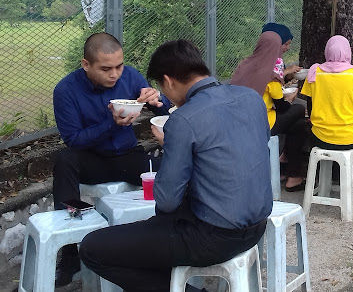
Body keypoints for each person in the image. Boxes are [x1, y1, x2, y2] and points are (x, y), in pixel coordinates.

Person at [80, 40, 272, 292]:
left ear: (168, 81)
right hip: (258, 227)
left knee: (93, 248)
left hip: (212, 238)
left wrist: (172, 143)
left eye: (162, 87)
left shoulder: (183, 120)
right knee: (155, 231)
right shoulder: (250, 98)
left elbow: (167, 200)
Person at [51, 32, 171, 286]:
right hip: (91, 160)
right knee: (64, 161)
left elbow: (165, 107)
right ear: (86, 64)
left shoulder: (129, 76)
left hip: (128, 157)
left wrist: (157, 101)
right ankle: (70, 249)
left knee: (173, 169)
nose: (114, 74)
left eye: (118, 66)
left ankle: (171, 238)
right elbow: (74, 140)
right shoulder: (66, 90)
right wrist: (112, 123)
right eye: (106, 69)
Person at [301, 35, 353, 203]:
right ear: (348, 52)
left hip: (321, 137)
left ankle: (317, 183)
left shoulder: (315, 71)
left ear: (327, 51)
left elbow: (310, 103)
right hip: (351, 137)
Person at [230, 31, 308, 192]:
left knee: (298, 126)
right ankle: (292, 174)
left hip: (238, 121)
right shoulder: (271, 72)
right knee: (299, 110)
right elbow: (282, 107)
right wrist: (291, 99)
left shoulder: (244, 65)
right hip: (262, 124)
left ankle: (287, 172)